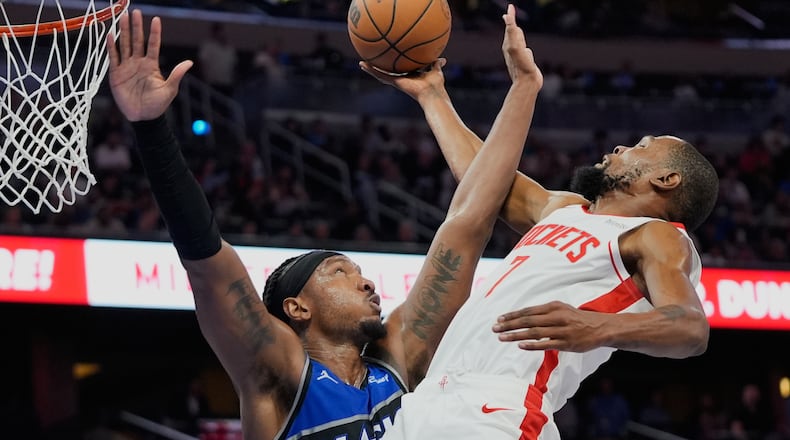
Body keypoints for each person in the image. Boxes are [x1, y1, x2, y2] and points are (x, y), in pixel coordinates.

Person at [106, 9, 542, 440]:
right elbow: (209, 267)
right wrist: (151, 129)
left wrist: (454, 95)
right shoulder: (280, 377)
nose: (367, 283)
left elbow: (468, 223)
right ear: (297, 308)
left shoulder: (397, 363)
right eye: (340, 272)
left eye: (358, 272)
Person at [363, 5, 718, 439]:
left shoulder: (656, 236)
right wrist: (433, 95)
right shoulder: (567, 208)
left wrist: (599, 327)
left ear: (666, 179)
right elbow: (484, 179)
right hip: (428, 400)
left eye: (642, 146)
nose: (622, 146)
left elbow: (689, 326)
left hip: (501, 409)